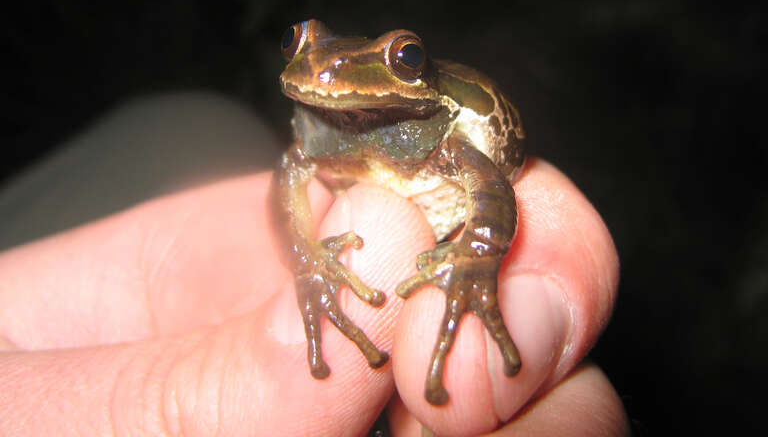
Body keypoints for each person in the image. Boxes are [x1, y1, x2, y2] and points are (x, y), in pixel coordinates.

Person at [0, 93, 628, 436]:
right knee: (204, 125)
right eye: (295, 43)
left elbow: (492, 186)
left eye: (404, 58)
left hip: (443, 220)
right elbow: (289, 184)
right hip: (378, 217)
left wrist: (479, 254)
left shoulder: (444, 135)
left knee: (201, 123)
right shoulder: (314, 139)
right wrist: (306, 261)